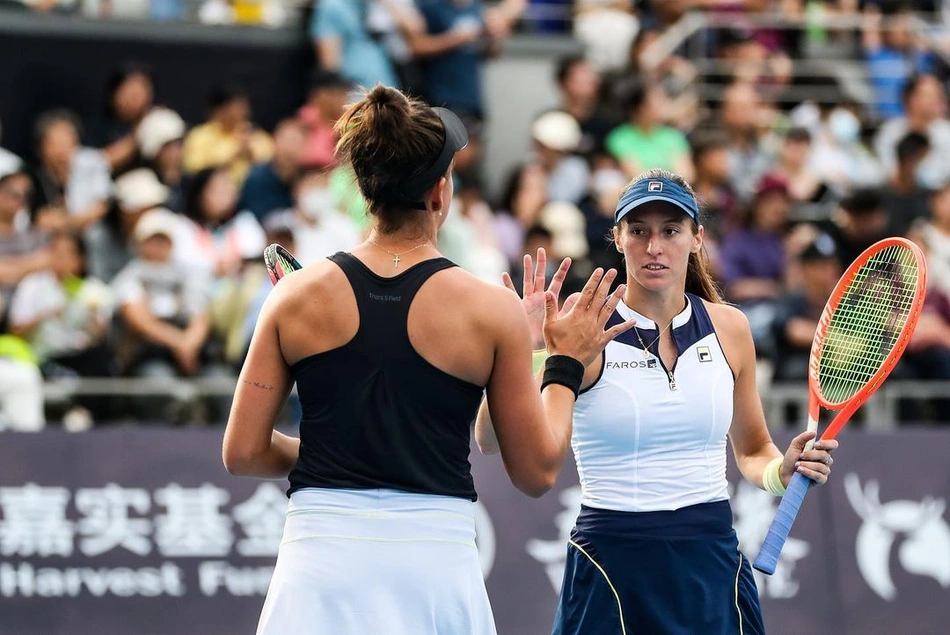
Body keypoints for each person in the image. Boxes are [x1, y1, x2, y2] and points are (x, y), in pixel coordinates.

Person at [221, 84, 636, 635]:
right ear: (440, 193)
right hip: (435, 566)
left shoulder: (294, 297)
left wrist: (343, 448)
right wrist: (561, 362)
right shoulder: (493, 310)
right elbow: (536, 471)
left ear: (366, 192)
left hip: (318, 564)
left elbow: (244, 453)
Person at [476, 168, 839, 635]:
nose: (654, 247)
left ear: (696, 238)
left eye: (670, 231)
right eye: (639, 231)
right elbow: (489, 439)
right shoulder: (582, 331)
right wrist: (526, 354)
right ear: (618, 238)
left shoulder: (731, 329)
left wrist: (780, 471)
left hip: (711, 563)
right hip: (612, 566)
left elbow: (752, 450)